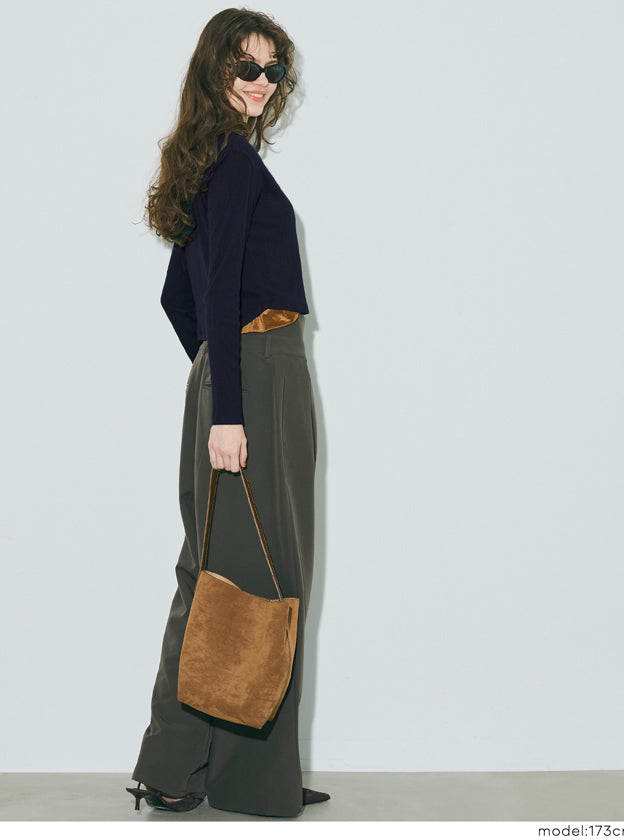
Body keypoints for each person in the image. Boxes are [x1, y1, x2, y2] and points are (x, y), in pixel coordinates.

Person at [125, 8, 327, 818]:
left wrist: (213, 380)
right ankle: (213, 774)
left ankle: (218, 770)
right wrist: (232, 406)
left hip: (235, 377)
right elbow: (205, 293)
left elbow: (179, 298)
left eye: (274, 70)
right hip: (260, 377)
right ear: (215, 68)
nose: (261, 82)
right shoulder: (233, 163)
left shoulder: (207, 157)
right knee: (260, 578)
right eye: (247, 65)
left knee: (222, 571)